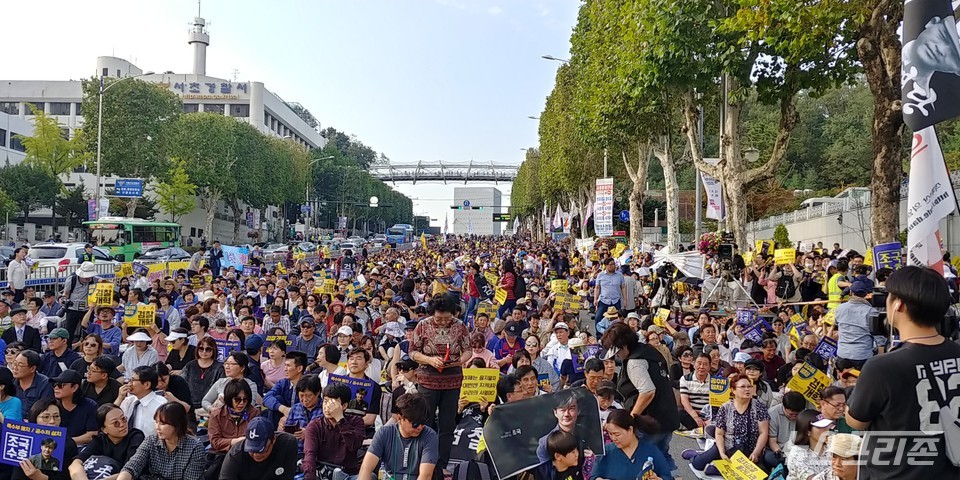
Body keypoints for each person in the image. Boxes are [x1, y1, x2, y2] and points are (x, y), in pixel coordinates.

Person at [601, 322, 678, 470]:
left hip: (649, 422)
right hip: (668, 417)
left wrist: (631, 417)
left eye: (617, 352)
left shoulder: (635, 362)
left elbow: (648, 391)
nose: (616, 356)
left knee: (644, 461)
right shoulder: (649, 350)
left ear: (624, 346)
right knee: (662, 457)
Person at [409, 294, 469, 472]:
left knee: (447, 424)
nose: (442, 322)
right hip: (428, 379)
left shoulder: (460, 326)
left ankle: (442, 463)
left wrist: (459, 362)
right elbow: (412, 352)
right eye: (438, 318)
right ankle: (422, 460)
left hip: (452, 380)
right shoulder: (422, 325)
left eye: (446, 318)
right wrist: (429, 359)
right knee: (424, 422)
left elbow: (468, 350)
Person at [684, 373, 770, 476]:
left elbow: (763, 432)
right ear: (733, 390)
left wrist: (756, 452)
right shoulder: (725, 407)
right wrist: (722, 452)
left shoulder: (759, 407)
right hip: (727, 446)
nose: (747, 389)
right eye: (742, 387)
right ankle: (697, 455)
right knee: (698, 464)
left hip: (750, 451)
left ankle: (717, 467)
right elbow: (719, 434)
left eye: (749, 386)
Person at [358, 392, 439, 480]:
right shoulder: (384, 433)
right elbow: (365, 469)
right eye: (415, 424)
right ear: (399, 418)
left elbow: (425, 476)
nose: (420, 427)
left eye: (423, 422)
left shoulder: (430, 436)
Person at [116, 403, 205, 480]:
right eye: (156, 422)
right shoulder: (151, 440)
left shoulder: (195, 447)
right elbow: (133, 466)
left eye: (163, 424)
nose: (157, 427)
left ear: (177, 425)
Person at [302, 383, 366, 479]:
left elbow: (354, 446)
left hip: (348, 474)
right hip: (323, 472)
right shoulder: (314, 426)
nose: (327, 406)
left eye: (333, 403)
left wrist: (340, 419)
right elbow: (309, 455)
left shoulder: (356, 421)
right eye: (325, 401)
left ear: (344, 406)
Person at [67, 404, 145, 480]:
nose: (122, 425)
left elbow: (130, 471)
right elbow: (75, 464)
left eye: (123, 419)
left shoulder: (136, 437)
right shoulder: (99, 440)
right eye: (116, 423)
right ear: (104, 429)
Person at [591, 409, 673, 480]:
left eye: (617, 434)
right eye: (610, 434)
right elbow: (594, 476)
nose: (613, 438)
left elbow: (667, 477)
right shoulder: (606, 452)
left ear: (630, 430)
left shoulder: (651, 451)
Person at [13, 399, 79, 480]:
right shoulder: (23, 440)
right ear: (35, 418)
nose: (52, 421)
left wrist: (42, 478)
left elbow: (69, 476)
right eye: (46, 417)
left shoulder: (68, 444)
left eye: (56, 416)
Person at [218, 416, 298, 480]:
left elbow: (288, 475)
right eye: (252, 450)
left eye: (262, 450)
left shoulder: (287, 444)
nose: (256, 454)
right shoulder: (236, 454)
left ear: (273, 440)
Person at [834, 278, 876, 369]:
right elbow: (878, 336)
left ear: (850, 293)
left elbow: (836, 324)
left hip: (843, 353)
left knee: (844, 382)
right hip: (862, 355)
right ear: (865, 294)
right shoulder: (871, 311)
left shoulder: (840, 308)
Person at [115, 366, 168, 437]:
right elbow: (109, 417)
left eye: (132, 380)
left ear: (147, 385)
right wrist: (119, 398)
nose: (129, 383)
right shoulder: (128, 400)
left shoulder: (161, 404)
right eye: (130, 380)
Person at [180, 335, 224, 416]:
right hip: (189, 406)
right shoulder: (190, 365)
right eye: (201, 349)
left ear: (213, 350)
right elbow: (181, 384)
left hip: (209, 408)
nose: (204, 352)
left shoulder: (219, 368)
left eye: (208, 349)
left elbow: (221, 390)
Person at [51, 370, 98, 445]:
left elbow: (92, 434)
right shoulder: (51, 406)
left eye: (61, 385)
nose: (56, 388)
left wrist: (66, 442)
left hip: (80, 447)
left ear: (75, 387)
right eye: (54, 384)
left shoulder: (90, 405)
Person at [784, 409, 834, 480]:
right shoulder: (797, 453)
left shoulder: (831, 447)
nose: (826, 430)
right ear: (808, 432)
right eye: (820, 427)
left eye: (826, 426)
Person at [283, 375, 325, 455]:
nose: (305, 400)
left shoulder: (325, 409)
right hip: (296, 452)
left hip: (316, 454)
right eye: (301, 396)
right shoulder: (295, 408)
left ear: (317, 393)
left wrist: (309, 434)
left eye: (309, 396)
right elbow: (286, 431)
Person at [264, 351, 308, 425]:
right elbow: (267, 398)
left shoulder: (309, 384)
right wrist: (283, 409)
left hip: (303, 420)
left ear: (299, 368)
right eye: (285, 365)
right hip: (283, 420)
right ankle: (273, 434)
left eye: (288, 365)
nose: (285, 369)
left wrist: (289, 416)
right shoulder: (283, 383)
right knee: (277, 399)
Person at [765, 391, 804, 469]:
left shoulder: (804, 414)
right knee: (771, 458)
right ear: (784, 407)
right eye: (791, 414)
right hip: (779, 450)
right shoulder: (773, 413)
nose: (794, 417)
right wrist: (782, 455)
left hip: (797, 450)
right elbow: (772, 441)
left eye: (796, 414)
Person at [13, 350, 54, 419]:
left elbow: (45, 410)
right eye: (15, 363)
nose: (15, 368)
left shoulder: (44, 384)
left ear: (32, 368)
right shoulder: (11, 382)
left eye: (20, 365)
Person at [679, 353, 711, 430]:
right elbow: (684, 400)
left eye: (705, 364)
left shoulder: (715, 381)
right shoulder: (685, 379)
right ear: (693, 364)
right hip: (692, 414)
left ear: (709, 367)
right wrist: (695, 416)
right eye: (699, 363)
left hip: (709, 415)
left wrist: (709, 418)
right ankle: (702, 426)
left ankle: (702, 426)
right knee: (678, 412)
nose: (701, 367)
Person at [593, 258, 626, 327]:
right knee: (598, 317)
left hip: (616, 300)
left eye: (614, 264)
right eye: (611, 264)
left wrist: (625, 300)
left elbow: (623, 287)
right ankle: (599, 335)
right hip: (603, 300)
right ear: (606, 266)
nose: (613, 266)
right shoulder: (600, 275)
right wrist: (595, 299)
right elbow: (597, 287)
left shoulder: (619, 275)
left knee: (618, 320)